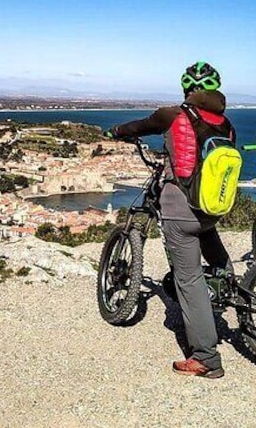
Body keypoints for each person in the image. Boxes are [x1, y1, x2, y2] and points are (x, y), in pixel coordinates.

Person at [105, 61, 234, 379]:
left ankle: (206, 358)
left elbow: (137, 126)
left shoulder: (173, 114)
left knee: (188, 279)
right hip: (211, 205)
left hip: (180, 208)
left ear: (188, 89)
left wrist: (115, 132)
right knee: (207, 236)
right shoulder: (225, 123)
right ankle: (227, 285)